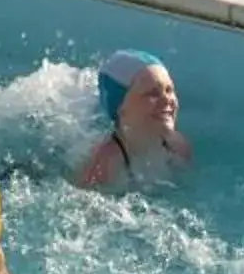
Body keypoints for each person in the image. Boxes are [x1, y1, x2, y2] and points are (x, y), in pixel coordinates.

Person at [74, 49, 191, 192]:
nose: (167, 99)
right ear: (120, 107)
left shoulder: (178, 147)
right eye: (153, 93)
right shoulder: (105, 162)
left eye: (169, 90)